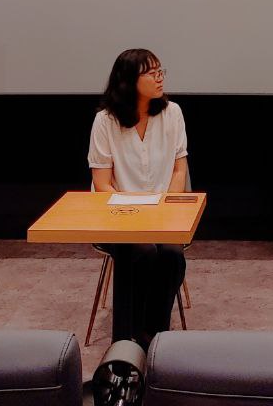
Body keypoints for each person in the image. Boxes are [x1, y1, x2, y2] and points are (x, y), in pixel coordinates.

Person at [88, 48, 188, 349]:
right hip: (117, 217)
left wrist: (165, 210)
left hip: (161, 216)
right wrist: (136, 214)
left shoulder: (172, 114)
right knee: (141, 250)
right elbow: (102, 184)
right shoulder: (105, 122)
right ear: (129, 80)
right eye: (151, 73)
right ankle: (128, 336)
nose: (160, 78)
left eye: (161, 71)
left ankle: (152, 332)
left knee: (172, 254)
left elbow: (179, 169)